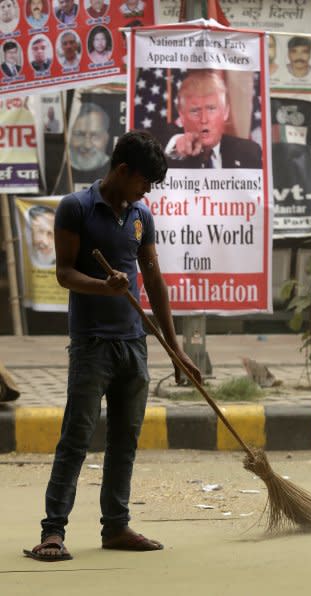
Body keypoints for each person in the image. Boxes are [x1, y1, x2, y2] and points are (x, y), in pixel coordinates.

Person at [23, 130, 201, 561]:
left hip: (134, 345)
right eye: (144, 181)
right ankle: (52, 532)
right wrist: (105, 287)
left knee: (126, 439)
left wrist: (175, 349)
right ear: (122, 171)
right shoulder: (76, 208)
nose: (147, 190)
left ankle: (116, 527)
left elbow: (153, 279)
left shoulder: (141, 216)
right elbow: (65, 273)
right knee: (76, 437)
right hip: (92, 344)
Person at [164, 70, 262, 169]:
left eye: (211, 109)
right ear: (181, 115)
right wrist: (175, 151)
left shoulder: (249, 152)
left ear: (226, 112)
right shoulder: (172, 151)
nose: (204, 119)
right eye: (195, 111)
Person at [70, 102, 110, 172]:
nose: (87, 145)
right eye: (79, 135)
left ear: (106, 138)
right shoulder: (59, 168)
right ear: (69, 137)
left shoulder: (116, 168)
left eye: (95, 135)